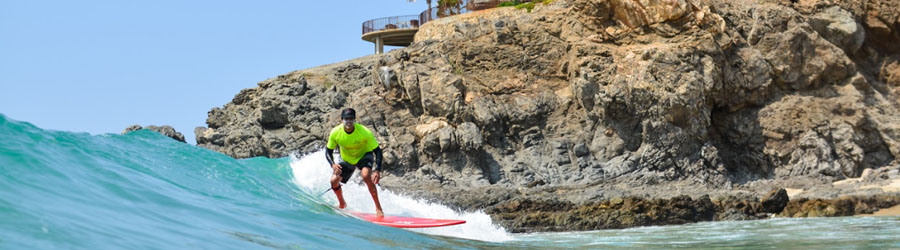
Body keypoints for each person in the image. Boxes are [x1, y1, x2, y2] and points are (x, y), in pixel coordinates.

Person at [325, 108, 385, 217]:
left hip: (364, 156)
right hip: (348, 160)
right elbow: (328, 151)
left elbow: (377, 151)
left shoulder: (364, 132)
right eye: (346, 119)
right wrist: (333, 164)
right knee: (334, 180)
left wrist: (377, 170)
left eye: (351, 119)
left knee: (366, 175)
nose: (349, 121)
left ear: (355, 120)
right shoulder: (335, 132)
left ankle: (378, 208)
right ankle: (342, 203)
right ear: (342, 120)